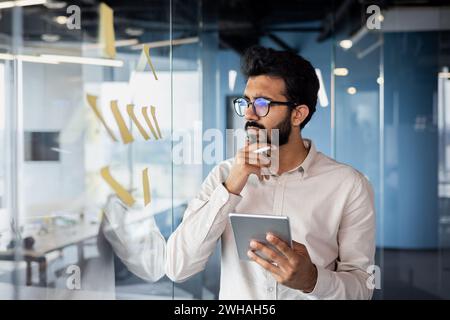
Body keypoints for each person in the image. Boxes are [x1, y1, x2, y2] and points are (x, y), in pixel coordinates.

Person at [165, 46, 375, 300]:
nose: (249, 115)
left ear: (298, 114)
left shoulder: (348, 185)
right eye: (246, 103)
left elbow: (363, 289)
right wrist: (230, 188)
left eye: (262, 104)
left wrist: (313, 280)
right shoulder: (224, 175)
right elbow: (178, 267)